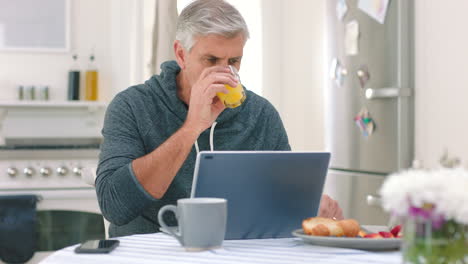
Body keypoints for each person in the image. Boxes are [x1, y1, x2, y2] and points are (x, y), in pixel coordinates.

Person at [96, 0, 342, 238]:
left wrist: (307, 206)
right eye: (211, 60)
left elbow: (282, 200)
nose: (225, 73)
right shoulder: (131, 106)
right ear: (181, 55)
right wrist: (192, 126)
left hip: (235, 252)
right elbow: (115, 207)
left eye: (234, 61)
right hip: (148, 253)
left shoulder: (261, 114)